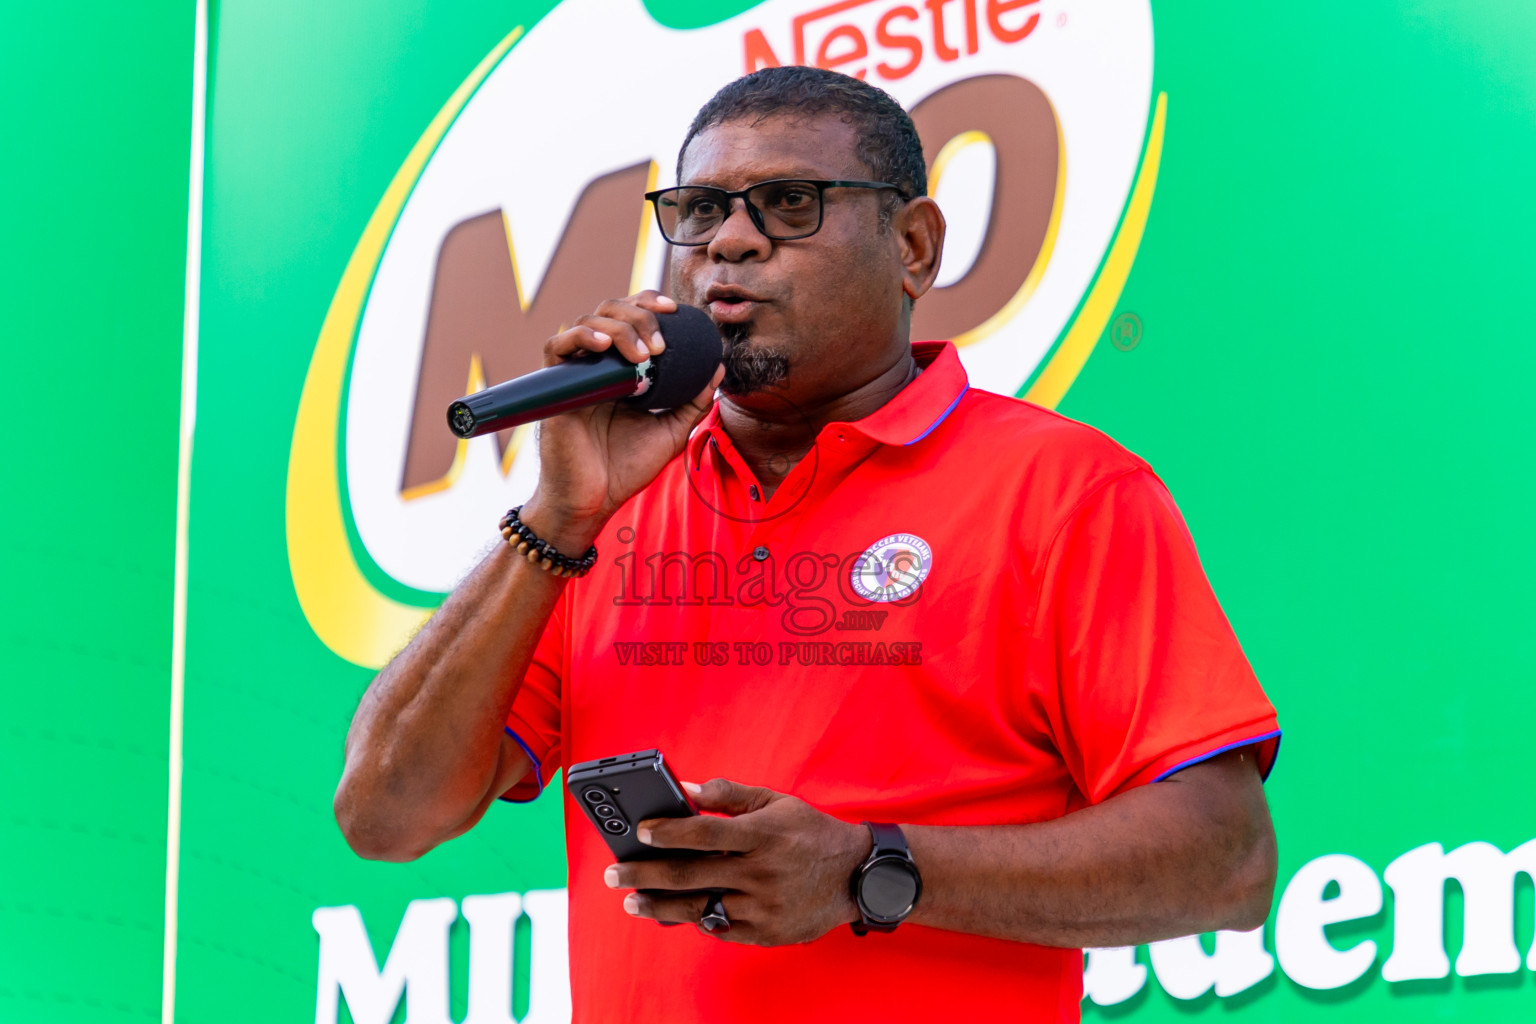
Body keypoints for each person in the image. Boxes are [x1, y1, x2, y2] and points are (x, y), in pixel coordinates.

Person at [334, 66, 1281, 1022]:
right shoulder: (598, 523)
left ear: (913, 247)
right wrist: (556, 516)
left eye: (789, 204)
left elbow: (1225, 859)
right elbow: (385, 813)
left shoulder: (1063, 491)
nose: (730, 241)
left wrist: (869, 870)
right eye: (698, 211)